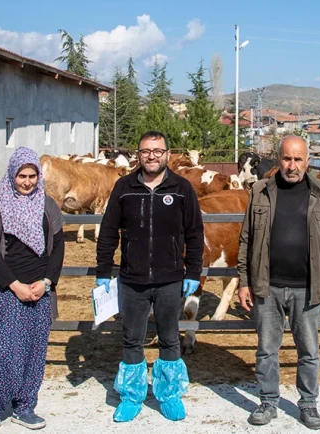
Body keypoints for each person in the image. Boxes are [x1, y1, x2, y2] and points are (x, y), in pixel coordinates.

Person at [236, 135, 320, 430]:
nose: (292, 165)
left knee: (309, 350)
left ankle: (308, 404)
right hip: (267, 285)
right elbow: (246, 239)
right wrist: (244, 281)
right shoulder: (260, 191)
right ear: (278, 159)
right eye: (287, 158)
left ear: (307, 161)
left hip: (309, 287)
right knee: (266, 349)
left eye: (298, 159)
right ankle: (268, 401)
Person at [95, 131, 204, 422]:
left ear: (167, 154)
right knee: (132, 339)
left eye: (158, 150)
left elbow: (194, 233)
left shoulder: (182, 188)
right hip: (132, 279)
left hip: (170, 279)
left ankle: (168, 395)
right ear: (138, 155)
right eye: (146, 151)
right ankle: (132, 396)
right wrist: (103, 271)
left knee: (169, 338)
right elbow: (108, 232)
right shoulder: (124, 187)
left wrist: (193, 271)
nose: (152, 156)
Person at [0, 147, 64, 433]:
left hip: (40, 290)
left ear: (39, 176)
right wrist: (14, 285)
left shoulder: (48, 206)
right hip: (7, 290)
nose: (27, 181)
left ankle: (25, 406)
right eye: (22, 176)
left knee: (34, 351)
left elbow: (58, 247)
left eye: (32, 175)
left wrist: (46, 283)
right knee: (0, 351)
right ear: (12, 175)